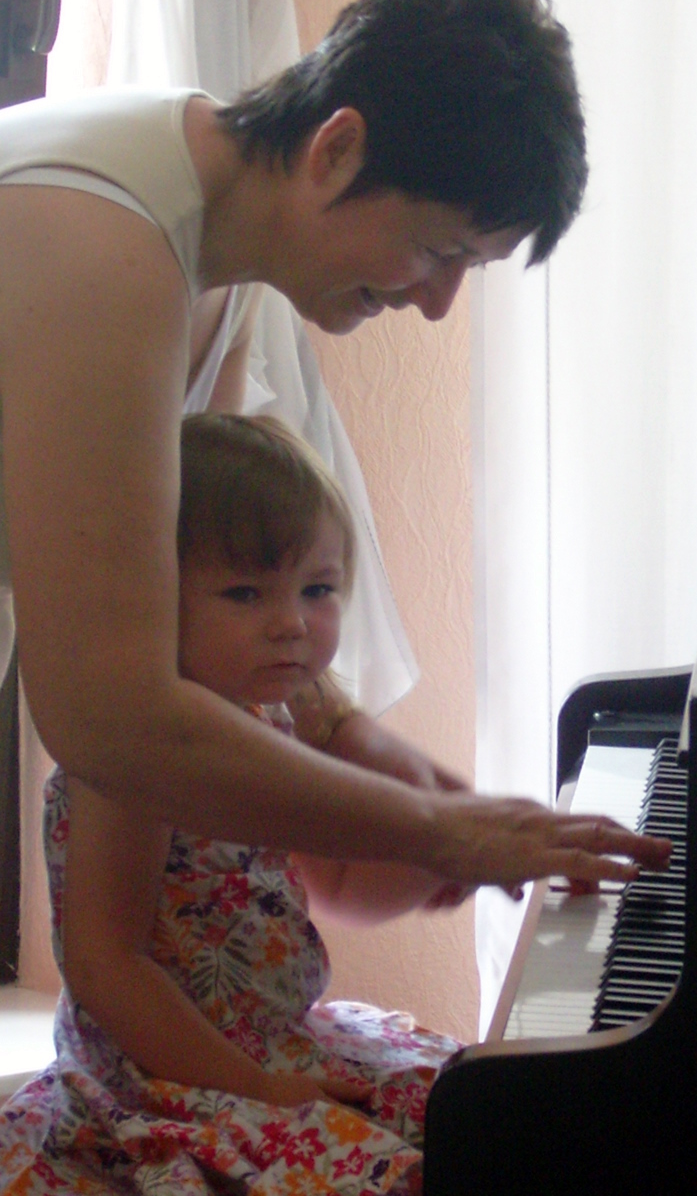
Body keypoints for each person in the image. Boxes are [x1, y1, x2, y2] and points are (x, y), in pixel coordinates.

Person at [0, 0, 667, 954]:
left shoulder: (209, 238)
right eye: (439, 251)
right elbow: (108, 718)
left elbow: (192, 591)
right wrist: (439, 830)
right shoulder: (107, 244)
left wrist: (381, 762)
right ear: (338, 148)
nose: (437, 304)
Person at [2, 412, 523, 1193]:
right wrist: (258, 1087)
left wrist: (435, 860)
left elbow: (334, 886)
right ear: (155, 598)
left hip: (273, 1042)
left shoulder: (265, 720)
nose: (291, 625)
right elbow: (106, 966)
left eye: (318, 589)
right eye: (245, 592)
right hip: (159, 1075)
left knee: (488, 1115)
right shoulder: (136, 751)